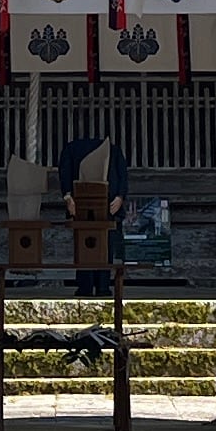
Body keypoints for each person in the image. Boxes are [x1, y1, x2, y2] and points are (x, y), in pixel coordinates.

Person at [58, 119, 124, 300]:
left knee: (102, 246)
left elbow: (121, 174)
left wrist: (119, 197)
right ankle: (87, 285)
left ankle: (101, 285)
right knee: (85, 245)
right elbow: (65, 173)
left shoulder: (113, 150)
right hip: (84, 204)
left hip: (105, 205)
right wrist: (69, 197)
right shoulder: (73, 150)